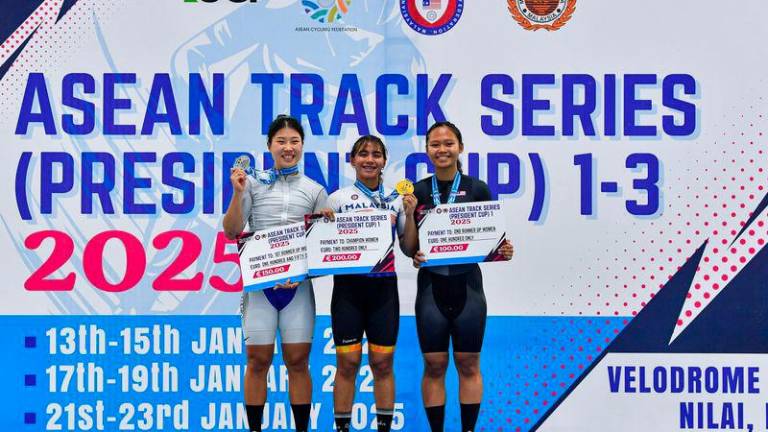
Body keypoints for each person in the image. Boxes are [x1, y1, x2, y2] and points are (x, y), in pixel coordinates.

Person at [403, 121, 514, 432]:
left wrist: (502, 249)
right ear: (426, 150)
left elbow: (491, 239)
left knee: (468, 364)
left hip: (468, 289)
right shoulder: (419, 191)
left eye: (448, 143)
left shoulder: (478, 189)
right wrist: (410, 215)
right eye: (435, 144)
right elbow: (409, 248)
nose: (442, 149)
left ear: (460, 148)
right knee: (434, 366)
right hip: (431, 290)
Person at [222, 115, 330, 432]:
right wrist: (237, 192)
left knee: (298, 362)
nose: (288, 147)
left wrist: (302, 274)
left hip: (297, 289)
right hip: (260, 289)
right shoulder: (251, 184)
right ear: (269, 146)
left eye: (294, 141)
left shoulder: (315, 190)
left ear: (302, 146)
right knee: (257, 362)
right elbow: (231, 232)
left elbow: (322, 251)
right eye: (281, 141)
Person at [322, 135, 418, 432]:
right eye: (363, 154)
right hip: (348, 292)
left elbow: (408, 247)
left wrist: (411, 213)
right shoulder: (336, 199)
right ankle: (341, 429)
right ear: (352, 160)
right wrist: (322, 224)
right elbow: (323, 245)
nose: (369, 159)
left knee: (382, 364)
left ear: (384, 161)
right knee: (348, 365)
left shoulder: (395, 199)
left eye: (376, 154)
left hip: (383, 291)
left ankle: (384, 428)